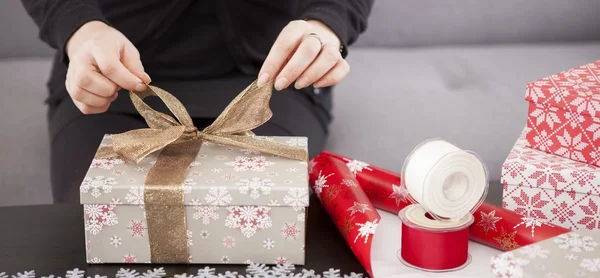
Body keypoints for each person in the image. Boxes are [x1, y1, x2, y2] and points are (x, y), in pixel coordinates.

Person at [21, 1, 374, 204]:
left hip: (271, 75)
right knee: (87, 221)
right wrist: (80, 28)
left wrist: (327, 21)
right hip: (115, 71)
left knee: (264, 216)